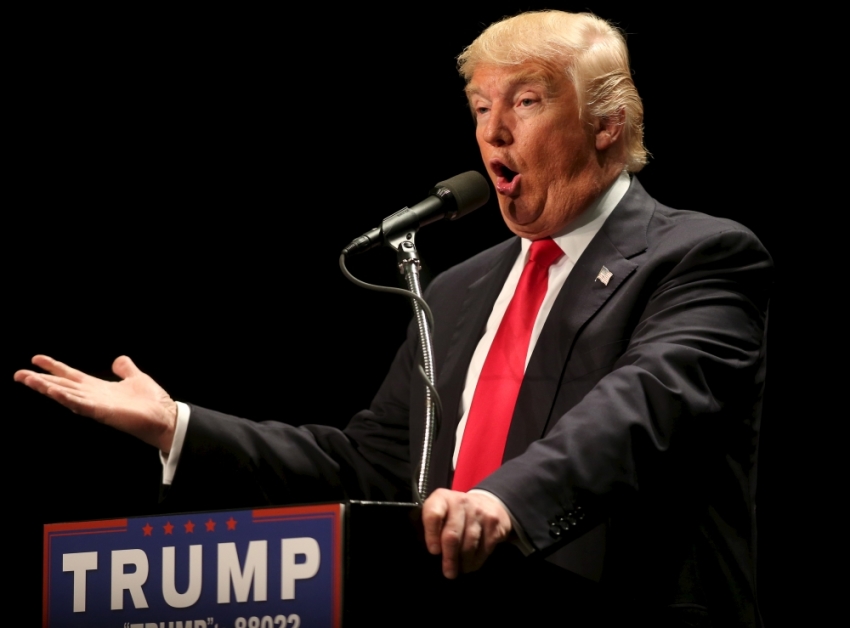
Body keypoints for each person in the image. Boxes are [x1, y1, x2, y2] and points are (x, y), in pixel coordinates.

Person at [15, 11, 770, 626]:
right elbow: (374, 468)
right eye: (481, 108)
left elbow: (639, 409)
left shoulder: (702, 256)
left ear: (606, 123)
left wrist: (501, 501)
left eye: (527, 103)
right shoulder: (460, 290)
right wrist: (178, 424)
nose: (493, 133)